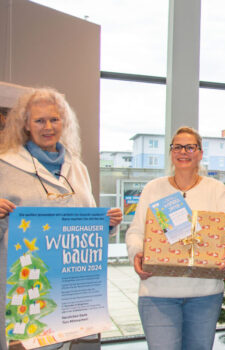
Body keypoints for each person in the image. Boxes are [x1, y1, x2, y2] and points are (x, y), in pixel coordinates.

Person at [0, 87, 123, 350]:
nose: (48, 127)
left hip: (69, 291)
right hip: (27, 289)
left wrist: (106, 224)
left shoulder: (77, 168)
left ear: (64, 122)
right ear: (26, 124)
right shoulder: (5, 165)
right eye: (39, 120)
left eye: (54, 119)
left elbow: (82, 220)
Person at [125, 126, 225, 350]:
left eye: (190, 147)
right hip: (157, 293)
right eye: (178, 147)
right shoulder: (153, 188)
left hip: (204, 295)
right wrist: (136, 252)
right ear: (171, 153)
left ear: (200, 153)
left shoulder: (216, 189)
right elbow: (136, 232)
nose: (184, 152)